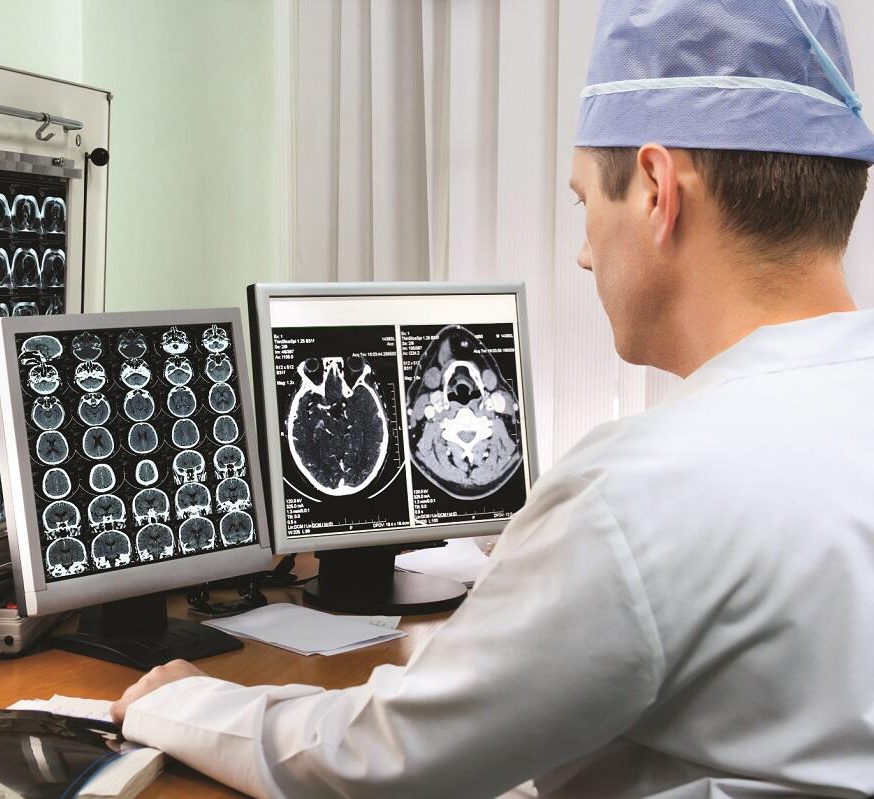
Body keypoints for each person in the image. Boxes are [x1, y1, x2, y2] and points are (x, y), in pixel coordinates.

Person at [110, 2, 874, 796]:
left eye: (585, 204)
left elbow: (386, 762)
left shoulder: (645, 491)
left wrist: (187, 702)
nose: (583, 255)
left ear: (655, 191)